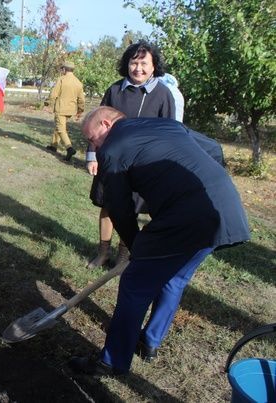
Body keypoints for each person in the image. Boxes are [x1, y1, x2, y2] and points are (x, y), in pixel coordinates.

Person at [68, 106, 250, 376]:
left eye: (91, 138)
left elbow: (118, 207)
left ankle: (112, 361)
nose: (92, 146)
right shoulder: (166, 126)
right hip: (224, 207)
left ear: (105, 124)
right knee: (174, 278)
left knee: (134, 284)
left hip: (185, 218)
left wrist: (135, 246)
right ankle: (149, 341)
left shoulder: (112, 148)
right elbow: (213, 150)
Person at [86, 40, 176, 271]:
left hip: (142, 166)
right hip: (111, 162)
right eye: (133, 62)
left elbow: (169, 133)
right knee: (108, 206)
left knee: (131, 210)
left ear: (154, 66)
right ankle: (103, 253)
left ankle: (124, 257)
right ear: (127, 64)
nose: (138, 68)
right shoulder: (115, 90)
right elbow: (96, 124)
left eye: (144, 63)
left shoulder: (163, 95)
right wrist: (92, 155)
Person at [44, 60, 85, 161]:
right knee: (59, 126)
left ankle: (69, 148)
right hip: (70, 110)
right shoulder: (78, 82)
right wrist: (80, 110)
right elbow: (81, 99)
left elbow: (54, 94)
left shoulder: (61, 79)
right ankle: (53, 146)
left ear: (64, 69)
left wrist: (47, 103)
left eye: (62, 69)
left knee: (61, 129)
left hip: (61, 108)